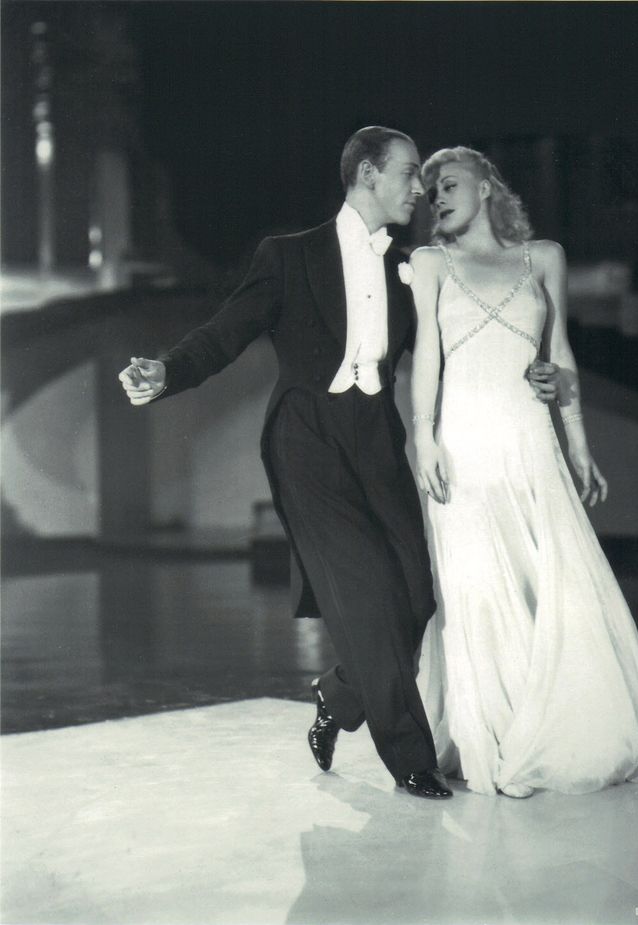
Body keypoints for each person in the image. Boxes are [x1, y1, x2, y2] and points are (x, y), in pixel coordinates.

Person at [119, 127, 557, 799]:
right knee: (364, 597)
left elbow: (465, 344)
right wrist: (168, 369)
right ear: (368, 175)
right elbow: (226, 331)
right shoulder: (289, 256)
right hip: (306, 440)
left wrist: (538, 373)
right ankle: (410, 759)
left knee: (416, 590)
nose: (420, 187)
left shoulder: (410, 266)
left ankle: (335, 696)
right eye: (410, 173)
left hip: (375, 437)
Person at [409, 146, 638, 798]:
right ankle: (487, 738)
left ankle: (556, 727)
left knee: (553, 585)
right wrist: (424, 439)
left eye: (447, 183)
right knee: (475, 594)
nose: (435, 195)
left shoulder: (544, 258)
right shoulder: (429, 263)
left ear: (486, 183)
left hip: (530, 442)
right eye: (427, 190)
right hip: (464, 446)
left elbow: (561, 358)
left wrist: (579, 447)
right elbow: (426, 360)